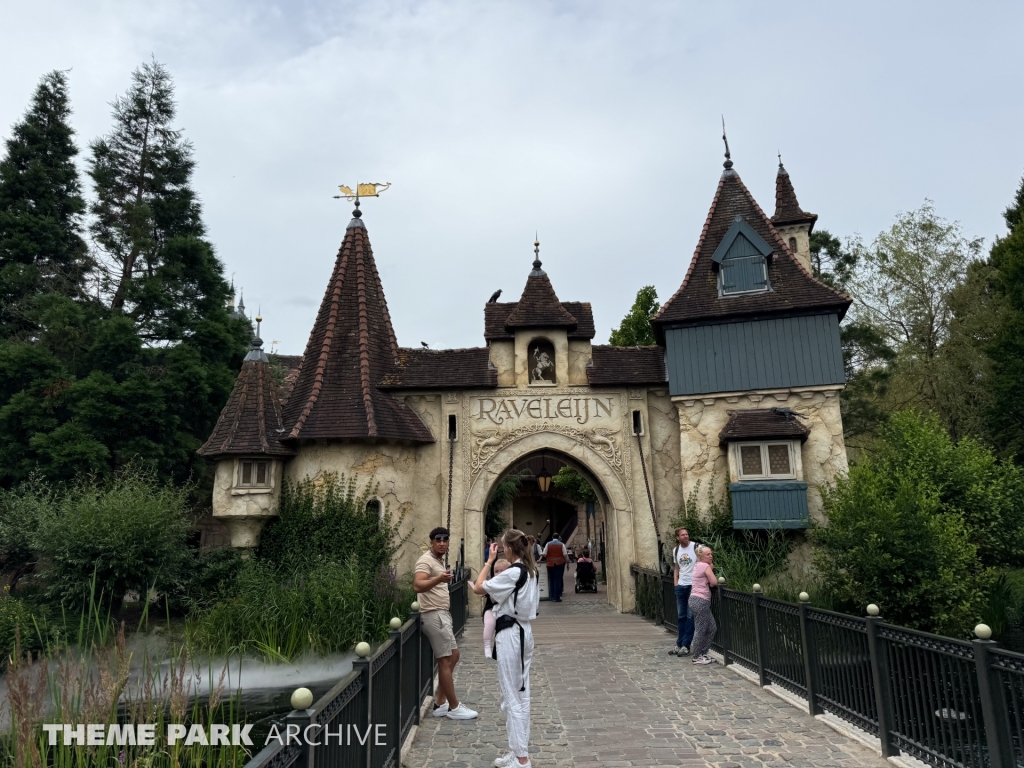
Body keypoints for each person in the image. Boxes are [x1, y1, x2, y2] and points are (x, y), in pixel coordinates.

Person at [472, 529, 540, 768]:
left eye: (503, 548)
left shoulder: (513, 572)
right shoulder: (531, 570)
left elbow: (479, 587)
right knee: (520, 693)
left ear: (509, 549)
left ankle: (522, 759)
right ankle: (518, 750)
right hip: (523, 631)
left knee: (512, 695)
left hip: (511, 633)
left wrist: (489, 561)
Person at [413, 527, 478, 719]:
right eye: (438, 540)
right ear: (431, 542)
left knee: (453, 656)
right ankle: (454, 707)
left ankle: (440, 703)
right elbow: (418, 585)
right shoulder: (425, 560)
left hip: (441, 614)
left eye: (445, 540)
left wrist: (441, 579)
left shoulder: (438, 560)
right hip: (433, 614)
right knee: (445, 660)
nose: (442, 543)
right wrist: (439, 579)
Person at [469, 558, 511, 657]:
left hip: (506, 609)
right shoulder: (492, 582)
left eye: (502, 571)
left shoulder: (510, 583)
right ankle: (487, 645)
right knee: (489, 623)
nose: (498, 574)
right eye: (496, 571)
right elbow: (481, 587)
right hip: (492, 608)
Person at [668, 527, 697, 657]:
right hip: (681, 585)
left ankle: (686, 645)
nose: (686, 536)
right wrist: (676, 582)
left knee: (690, 616)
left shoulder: (696, 547)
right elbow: (677, 567)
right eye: (683, 535)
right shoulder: (676, 550)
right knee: (681, 616)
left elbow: (707, 562)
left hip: (693, 585)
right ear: (677, 537)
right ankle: (679, 644)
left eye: (687, 534)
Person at [688, 545, 719, 665]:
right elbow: (714, 582)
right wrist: (710, 582)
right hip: (700, 600)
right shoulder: (704, 566)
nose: (711, 556)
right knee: (701, 629)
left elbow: (710, 574)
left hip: (697, 600)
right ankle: (696, 656)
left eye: (711, 554)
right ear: (701, 556)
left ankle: (703, 653)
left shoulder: (698, 565)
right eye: (708, 554)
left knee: (712, 627)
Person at [541, 533, 567, 601]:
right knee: (557, 580)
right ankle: (557, 597)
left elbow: (544, 554)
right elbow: (565, 554)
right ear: (558, 537)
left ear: (552, 537)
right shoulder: (562, 544)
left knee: (551, 580)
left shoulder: (548, 544)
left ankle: (552, 596)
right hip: (559, 563)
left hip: (550, 564)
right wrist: (567, 561)